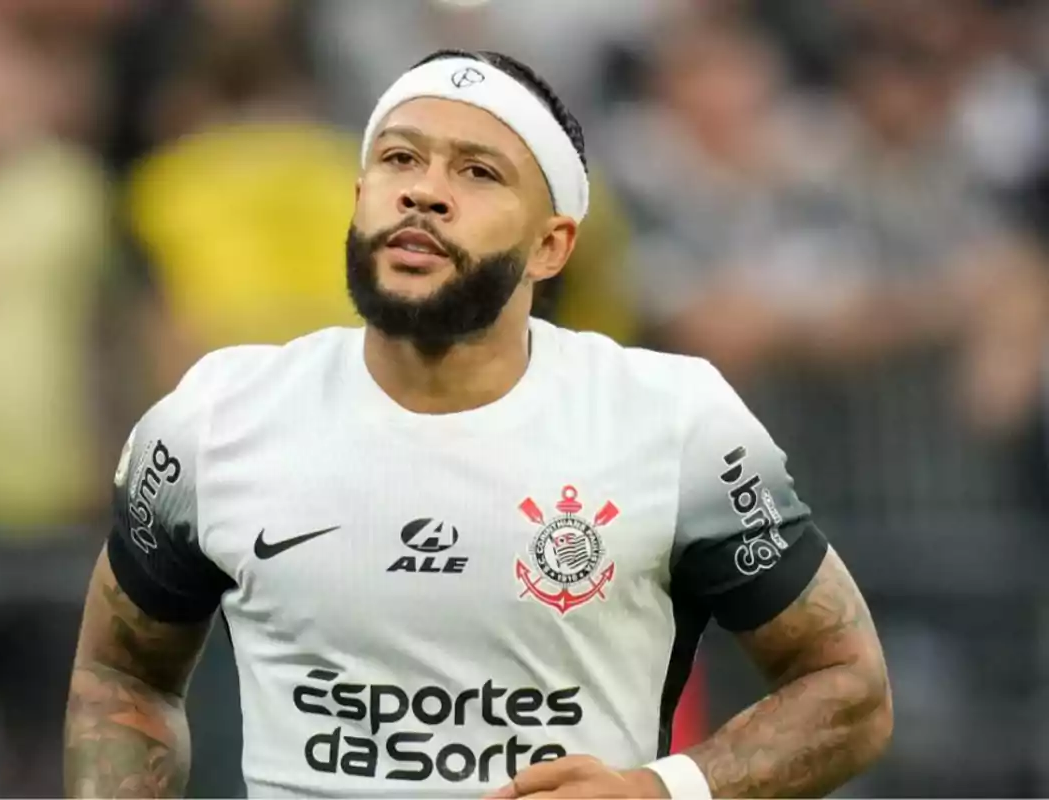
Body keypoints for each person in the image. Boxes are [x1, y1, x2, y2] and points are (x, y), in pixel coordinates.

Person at [64, 49, 892, 799]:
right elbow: (121, 675)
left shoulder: (675, 422)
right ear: (360, 201)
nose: (425, 189)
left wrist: (661, 792)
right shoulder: (214, 417)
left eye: (479, 172)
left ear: (552, 247)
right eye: (399, 158)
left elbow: (848, 688)